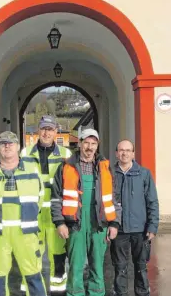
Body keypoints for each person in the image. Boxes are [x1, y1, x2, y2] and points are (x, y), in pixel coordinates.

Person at [51, 128, 121, 296]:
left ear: (97, 146)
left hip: (99, 224)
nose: (90, 147)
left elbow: (114, 198)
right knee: (75, 266)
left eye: (94, 143)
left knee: (98, 265)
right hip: (75, 225)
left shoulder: (105, 168)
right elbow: (56, 198)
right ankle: (75, 293)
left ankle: (97, 293)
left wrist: (114, 223)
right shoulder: (66, 166)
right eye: (87, 143)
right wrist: (60, 222)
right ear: (80, 143)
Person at [0, 131, 47, 296]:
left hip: (26, 234)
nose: (7, 146)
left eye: (11, 143)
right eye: (3, 143)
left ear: (18, 147)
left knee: (33, 277)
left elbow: (40, 198)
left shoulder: (32, 171)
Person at [21, 115, 71, 295]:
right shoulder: (25, 153)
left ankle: (58, 292)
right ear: (37, 131)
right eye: (43, 129)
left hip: (56, 216)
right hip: (32, 215)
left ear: (56, 132)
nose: (46, 132)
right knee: (30, 256)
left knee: (58, 258)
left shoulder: (66, 155)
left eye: (50, 129)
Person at [110, 139, 159, 296]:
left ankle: (142, 293)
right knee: (120, 267)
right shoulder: (109, 174)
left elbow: (152, 201)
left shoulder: (144, 174)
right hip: (119, 229)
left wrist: (152, 226)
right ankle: (120, 292)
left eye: (128, 150)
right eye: (121, 150)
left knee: (140, 267)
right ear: (116, 153)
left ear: (133, 153)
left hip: (140, 229)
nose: (124, 153)